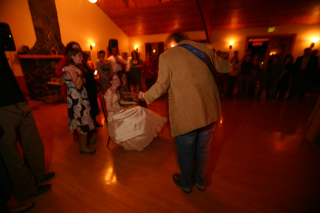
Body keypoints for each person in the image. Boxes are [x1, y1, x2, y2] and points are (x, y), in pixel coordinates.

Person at [138, 31, 232, 193]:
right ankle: (202, 181)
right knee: (203, 149)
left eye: (168, 46)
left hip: (186, 114)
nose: (168, 49)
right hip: (209, 111)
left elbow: (161, 86)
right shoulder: (206, 49)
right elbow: (226, 67)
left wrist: (145, 96)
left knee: (186, 152)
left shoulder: (168, 56)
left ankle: (186, 183)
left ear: (173, 42)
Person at [0, 49, 54, 201]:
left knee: (34, 144)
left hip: (19, 101)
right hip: (2, 109)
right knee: (11, 155)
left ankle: (38, 176)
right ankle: (26, 190)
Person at [104, 73, 166, 151]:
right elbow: (108, 108)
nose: (118, 80)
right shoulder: (109, 92)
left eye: (118, 79)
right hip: (114, 115)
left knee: (139, 109)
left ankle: (143, 133)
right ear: (111, 82)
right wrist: (120, 110)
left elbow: (121, 101)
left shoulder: (116, 90)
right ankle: (139, 135)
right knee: (139, 110)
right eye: (115, 79)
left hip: (119, 111)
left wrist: (131, 103)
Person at [63, 48, 96, 154]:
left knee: (83, 120)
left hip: (77, 98)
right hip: (78, 99)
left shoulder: (71, 68)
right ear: (72, 56)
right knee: (83, 121)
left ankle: (85, 141)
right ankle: (83, 147)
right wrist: (81, 74)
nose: (82, 58)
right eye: (79, 56)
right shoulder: (72, 69)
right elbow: (78, 85)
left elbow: (62, 82)